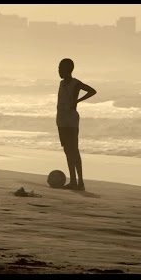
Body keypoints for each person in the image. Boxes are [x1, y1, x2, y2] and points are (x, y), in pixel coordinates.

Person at [56, 58, 97, 191]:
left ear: (67, 70)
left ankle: (80, 182)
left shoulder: (75, 83)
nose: (58, 71)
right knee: (68, 151)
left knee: (74, 150)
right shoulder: (61, 83)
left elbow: (92, 91)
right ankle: (73, 180)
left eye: (60, 69)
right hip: (61, 120)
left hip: (71, 120)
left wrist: (78, 100)